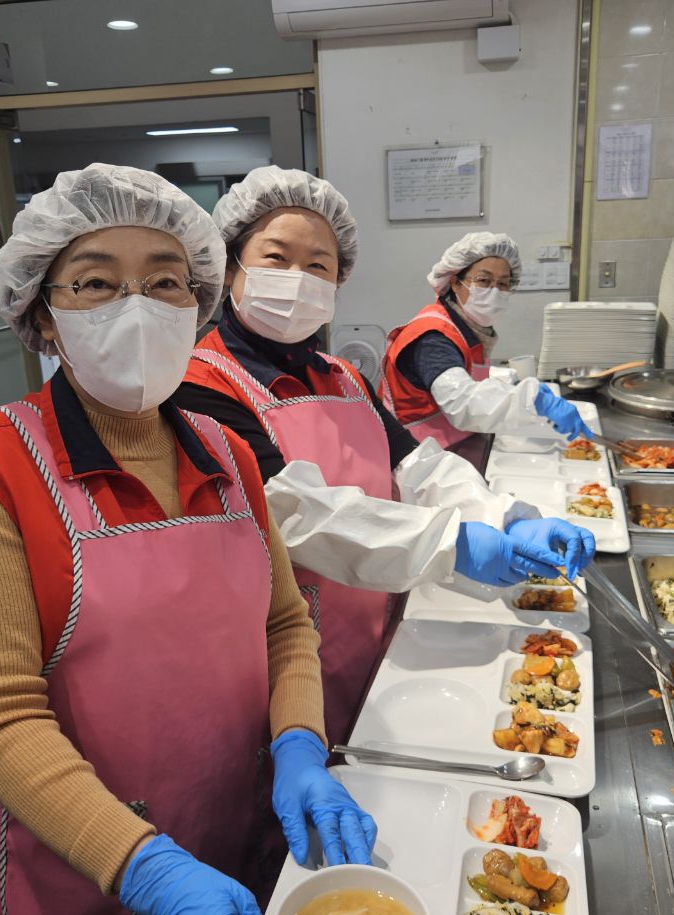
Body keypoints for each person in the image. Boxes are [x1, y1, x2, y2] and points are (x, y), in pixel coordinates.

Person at [0, 164, 374, 915]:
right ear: (43, 311)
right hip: (78, 883)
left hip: (232, 832)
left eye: (164, 282)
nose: (137, 307)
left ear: (197, 302)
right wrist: (149, 870)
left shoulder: (227, 455)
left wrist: (300, 743)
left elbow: (285, 624)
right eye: (95, 283)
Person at [174, 167, 597, 746]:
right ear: (229, 267)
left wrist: (507, 516)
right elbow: (295, 514)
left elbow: (419, 466)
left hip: (376, 620)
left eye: (318, 265)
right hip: (283, 656)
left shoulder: (343, 376)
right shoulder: (200, 386)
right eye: (276, 258)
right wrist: (453, 545)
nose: (298, 279)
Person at [380, 232, 591, 450]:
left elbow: (466, 379)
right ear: (455, 283)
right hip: (415, 454)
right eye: (483, 280)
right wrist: (532, 399)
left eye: (503, 283)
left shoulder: (465, 330)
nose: (494, 291)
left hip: (447, 445)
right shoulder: (433, 337)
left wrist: (512, 388)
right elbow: (462, 403)